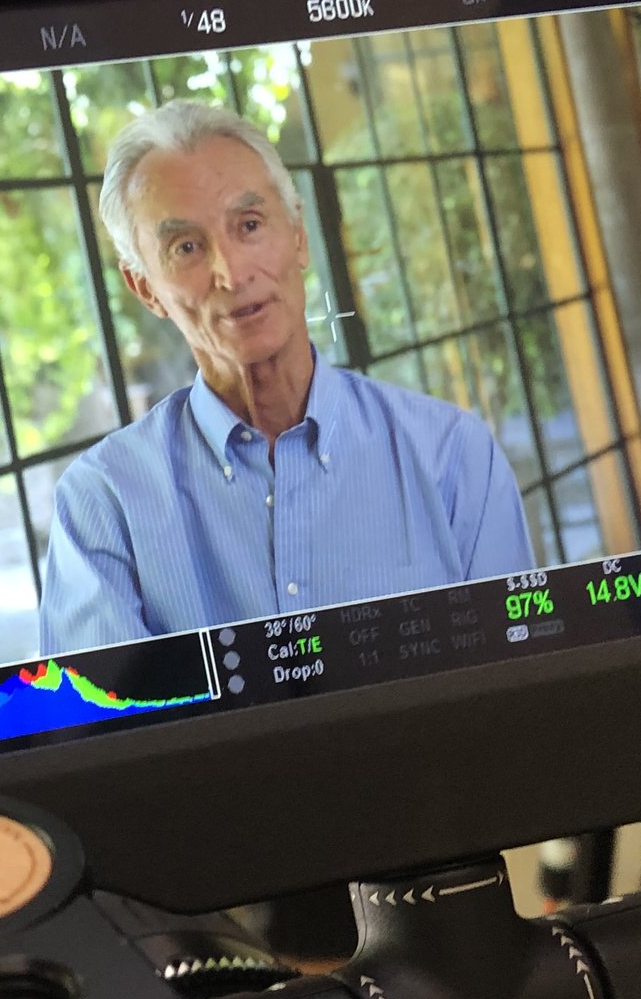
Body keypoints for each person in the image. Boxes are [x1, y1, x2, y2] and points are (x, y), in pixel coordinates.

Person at [38, 100, 537, 653]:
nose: (232, 273)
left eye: (250, 225)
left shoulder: (453, 455)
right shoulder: (102, 504)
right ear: (146, 289)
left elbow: (519, 677)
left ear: (298, 235)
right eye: (187, 247)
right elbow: (105, 710)